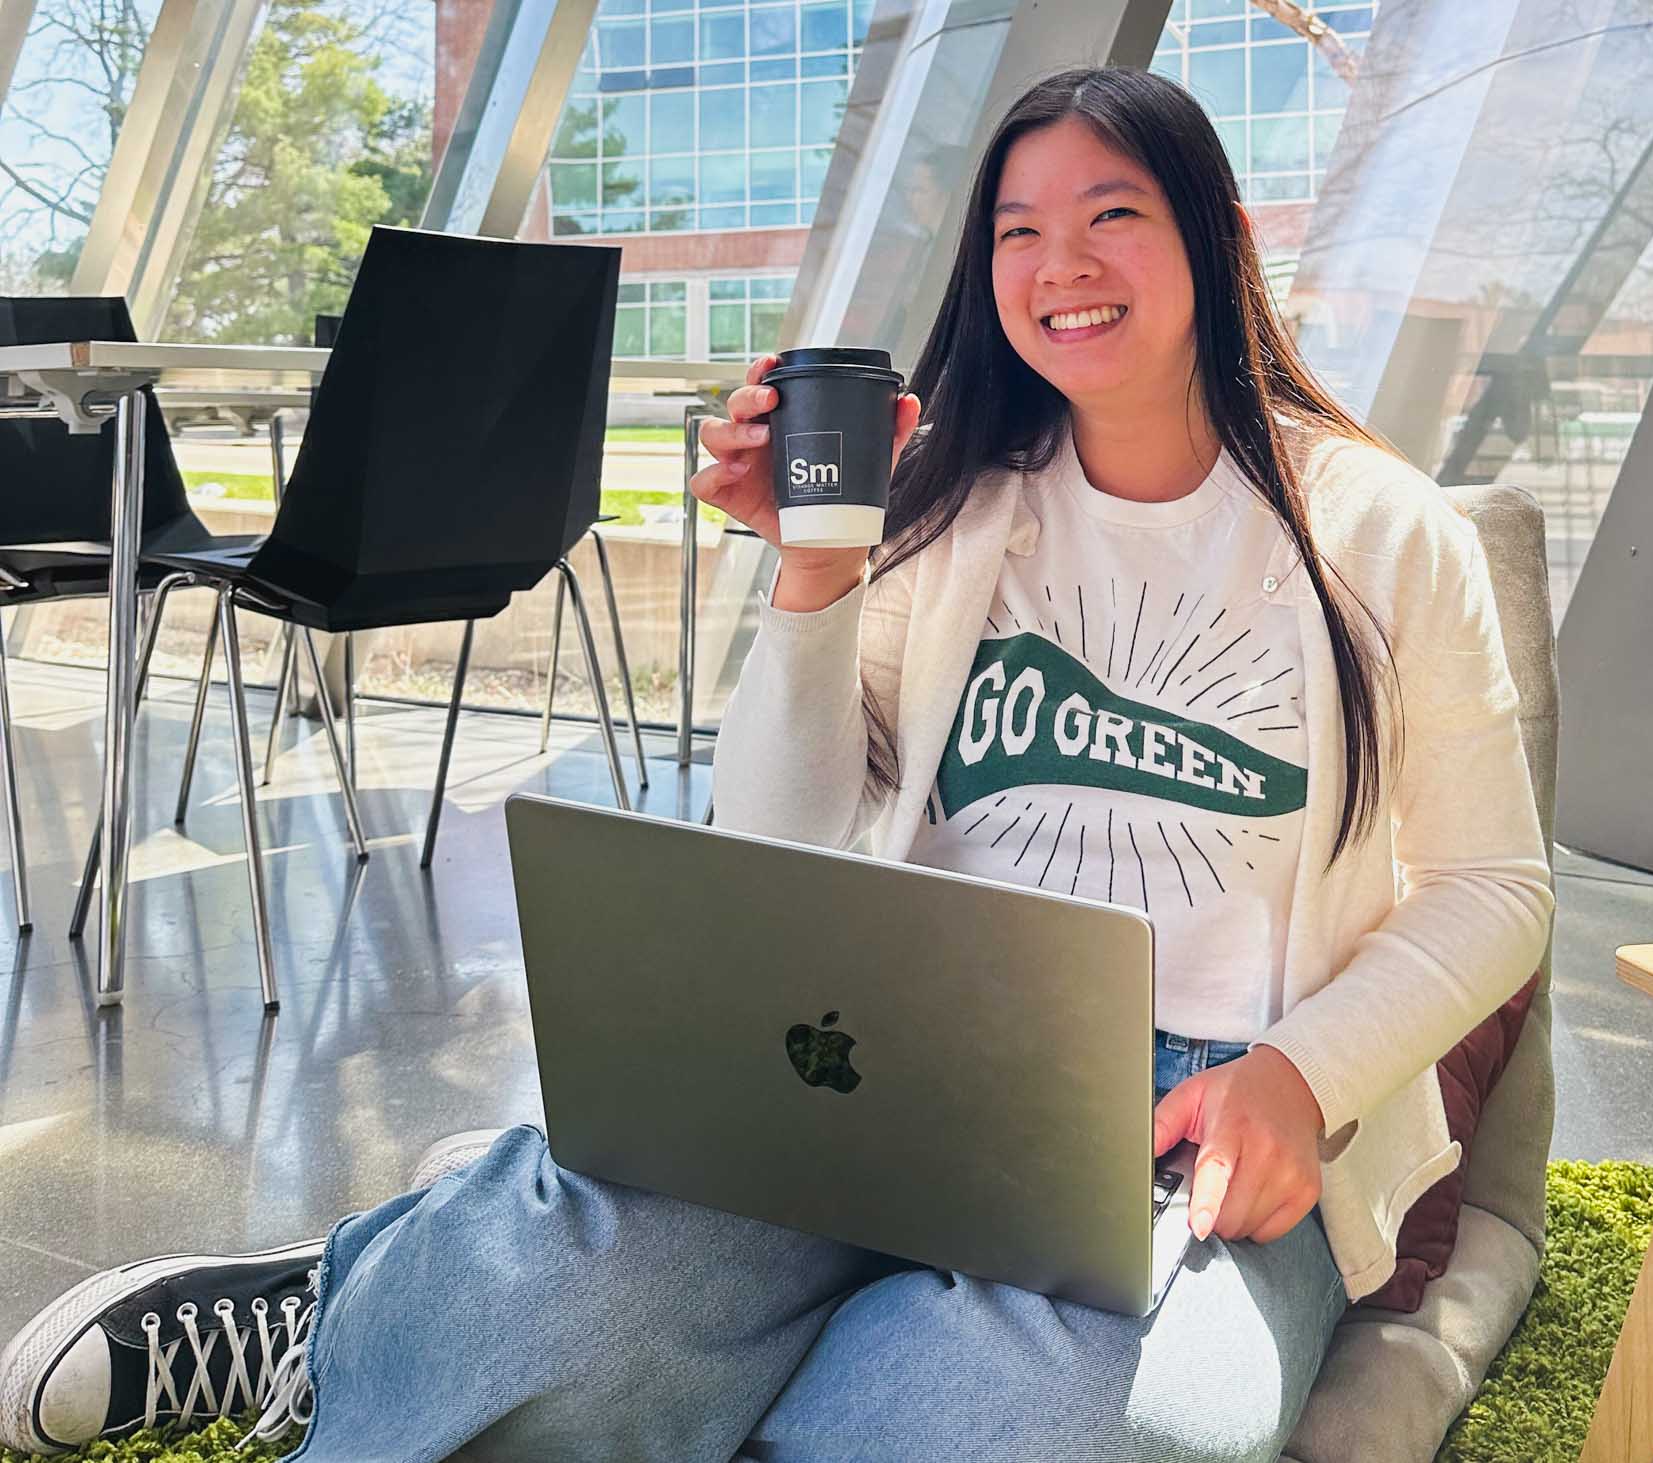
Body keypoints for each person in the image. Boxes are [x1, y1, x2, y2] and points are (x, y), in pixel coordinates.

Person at [0, 66, 1552, 1463]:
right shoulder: (949, 505)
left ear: (1213, 238)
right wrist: (814, 580)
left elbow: (1498, 888)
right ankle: (350, 1304)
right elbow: (781, 829)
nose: (1059, 266)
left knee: (1078, 1425)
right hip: (914, 1047)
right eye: (1015, 232)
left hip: (1210, 1108)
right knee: (553, 1314)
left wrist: (1303, 1072)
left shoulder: (1381, 532)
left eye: (1111, 214)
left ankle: (675, 1335)